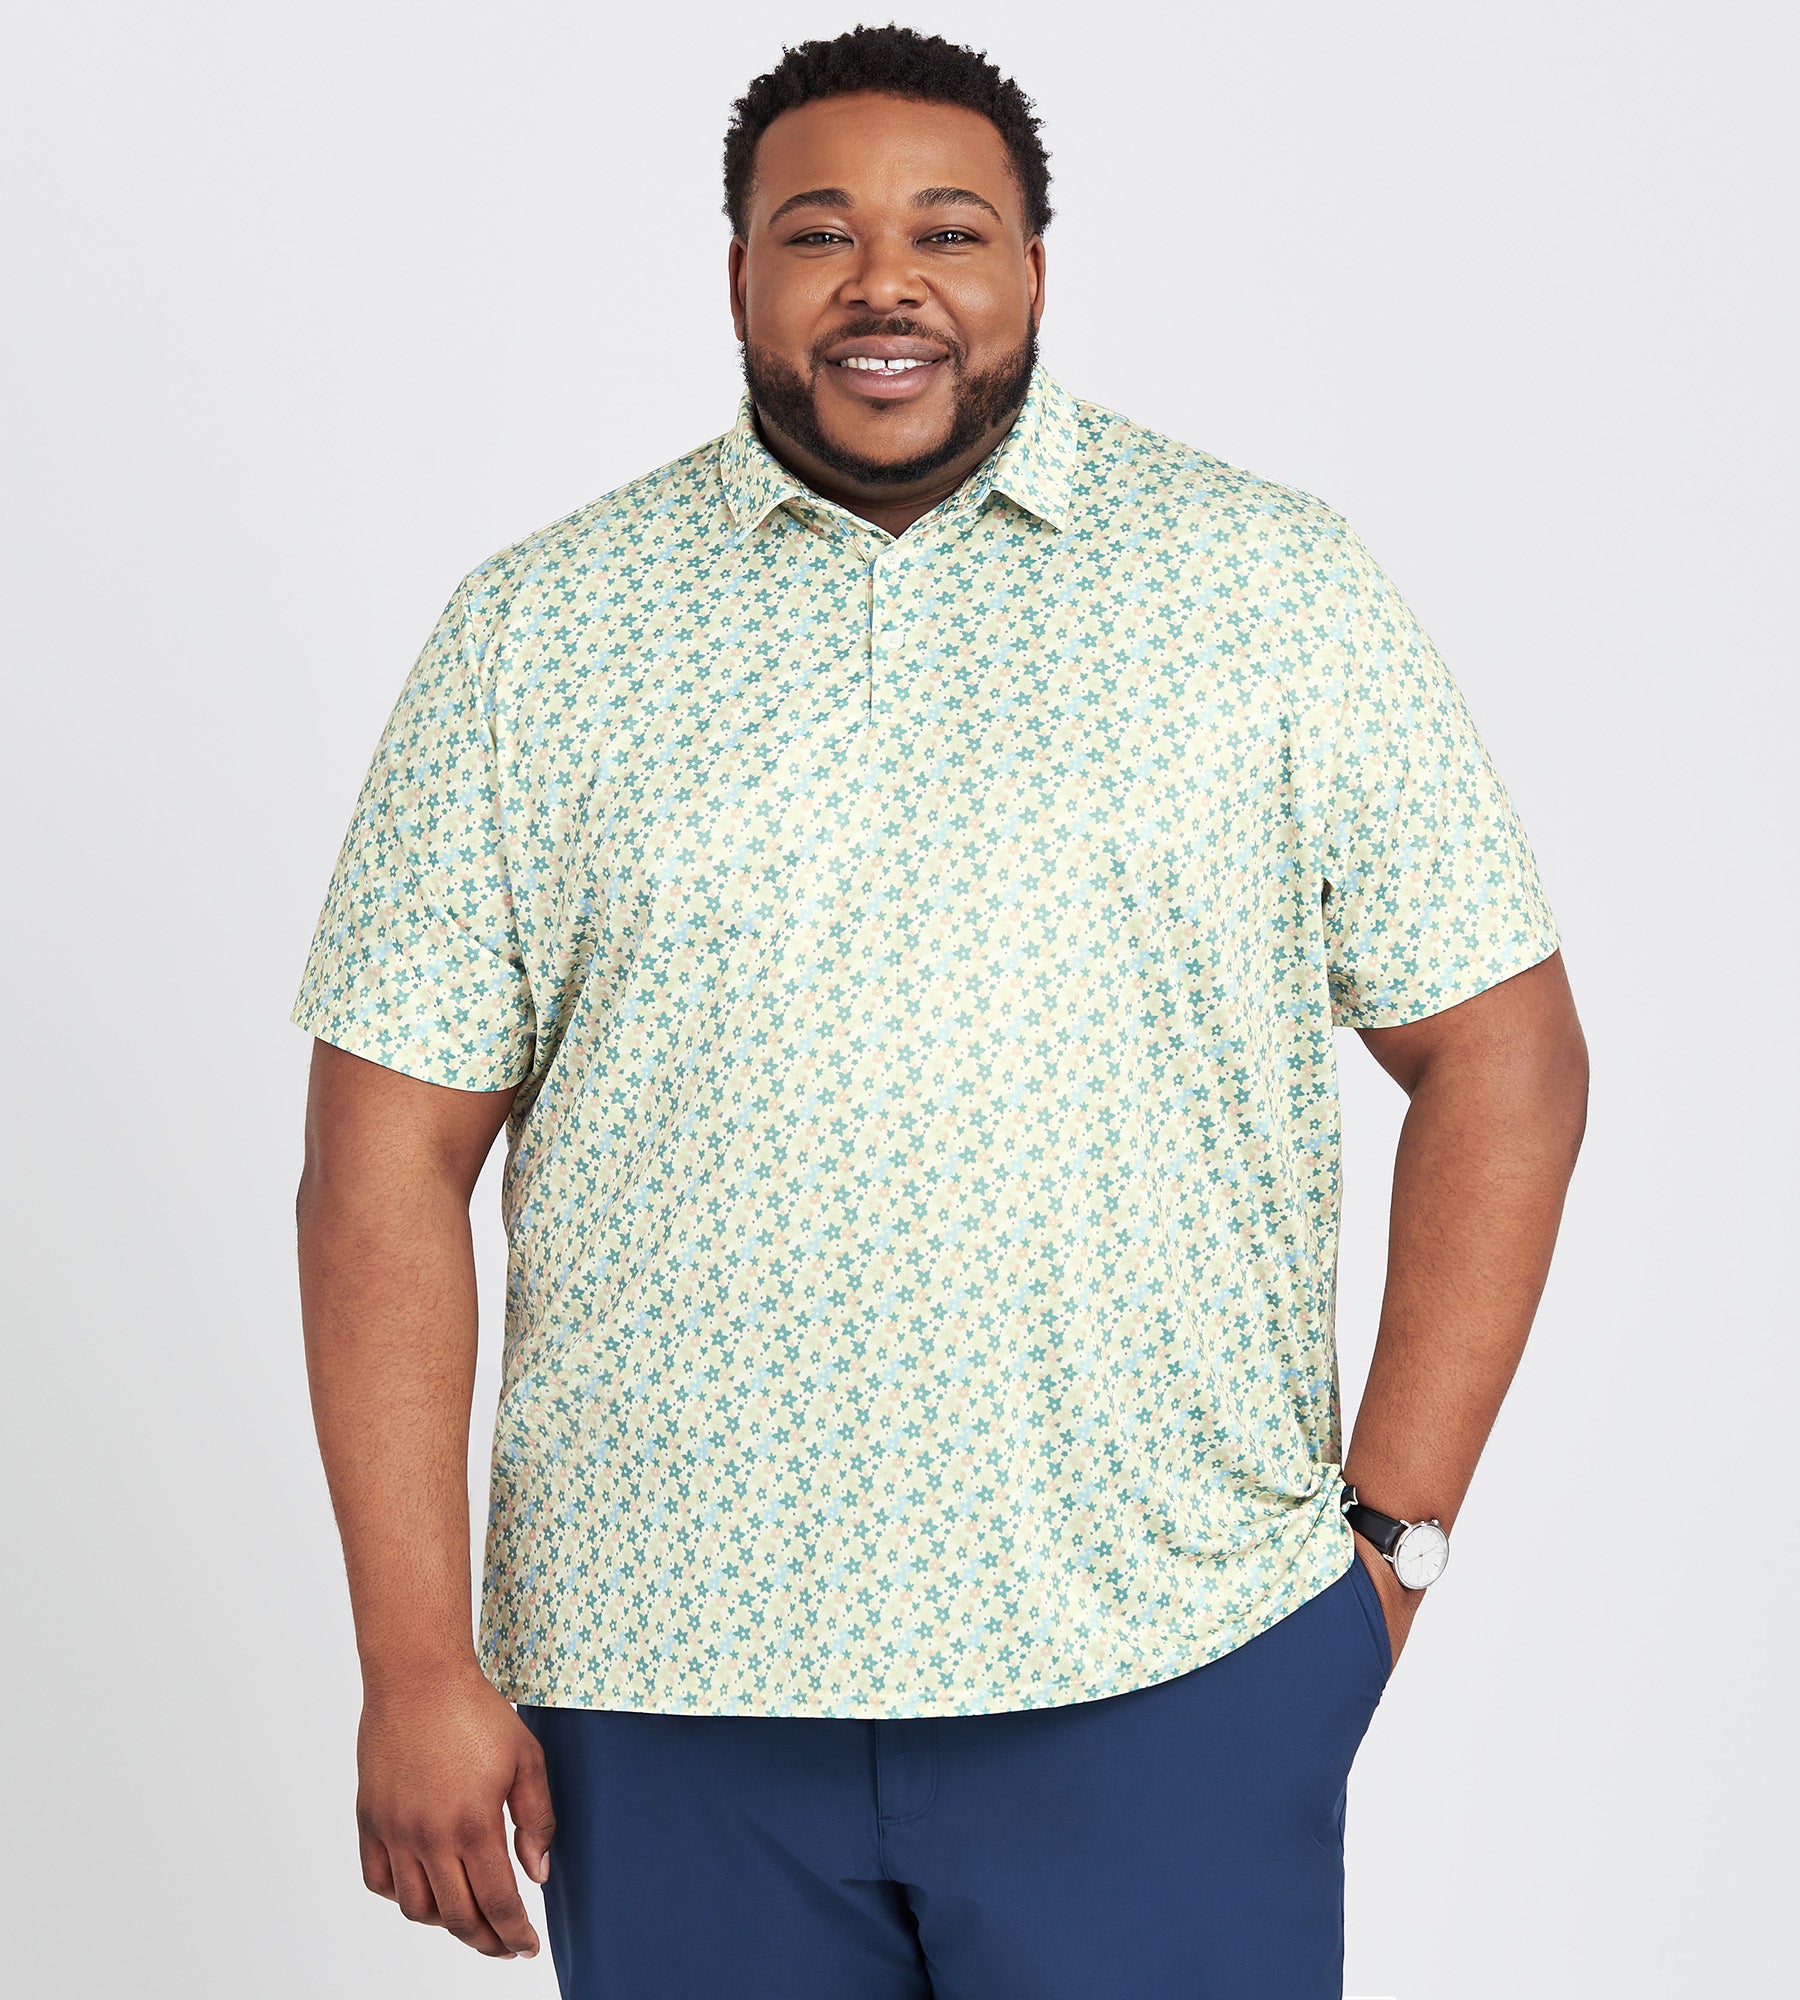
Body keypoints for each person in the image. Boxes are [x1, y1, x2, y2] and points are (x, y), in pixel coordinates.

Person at [290, 23, 1589, 1998]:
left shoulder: (1268, 591)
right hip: (665, 1684)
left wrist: (1386, 1547)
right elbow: (383, 1160)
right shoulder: (536, 637)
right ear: (738, 276)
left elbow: (1502, 1050)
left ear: (1034, 272)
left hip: (1167, 1662)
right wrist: (410, 1661)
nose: (882, 281)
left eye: (948, 231)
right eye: (817, 232)